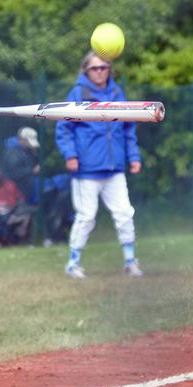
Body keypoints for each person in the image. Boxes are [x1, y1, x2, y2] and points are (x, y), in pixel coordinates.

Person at [56, 51, 143, 279]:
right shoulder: (78, 93)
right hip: (87, 169)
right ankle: (73, 264)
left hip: (114, 167)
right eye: (95, 68)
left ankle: (130, 260)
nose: (100, 72)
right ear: (86, 70)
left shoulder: (116, 92)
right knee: (86, 217)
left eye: (104, 67)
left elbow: (128, 126)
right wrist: (70, 155)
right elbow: (64, 128)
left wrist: (133, 156)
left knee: (124, 213)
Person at [2, 126, 40, 202]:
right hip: (18, 191)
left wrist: (34, 154)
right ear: (21, 140)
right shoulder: (13, 153)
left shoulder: (25, 151)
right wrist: (32, 171)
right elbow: (14, 173)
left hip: (28, 187)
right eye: (28, 141)